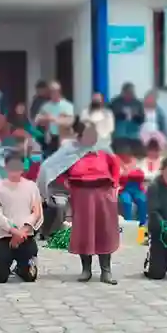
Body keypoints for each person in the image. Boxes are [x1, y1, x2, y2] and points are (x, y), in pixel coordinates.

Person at [37, 119, 120, 284]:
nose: (92, 137)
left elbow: (115, 168)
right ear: (79, 135)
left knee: (104, 231)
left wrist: (115, 186)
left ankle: (106, 271)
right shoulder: (70, 150)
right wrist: (65, 182)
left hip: (103, 195)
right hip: (81, 195)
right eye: (88, 134)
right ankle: (86, 269)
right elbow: (53, 167)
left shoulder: (103, 149)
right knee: (85, 231)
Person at [0, 152, 43, 283]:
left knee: (30, 277)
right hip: (5, 237)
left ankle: (21, 268)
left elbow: (37, 212)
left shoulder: (31, 186)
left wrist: (23, 230)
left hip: (26, 236)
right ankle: (2, 266)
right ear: (6, 168)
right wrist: (13, 231)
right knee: (0, 277)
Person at [36, 81, 75, 147]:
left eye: (55, 91)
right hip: (51, 138)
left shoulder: (68, 106)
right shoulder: (45, 106)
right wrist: (45, 119)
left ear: (59, 91)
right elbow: (37, 120)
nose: (53, 93)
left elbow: (70, 121)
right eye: (51, 91)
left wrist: (54, 119)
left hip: (64, 138)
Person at [117, 142, 147, 226]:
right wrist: (130, 174)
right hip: (124, 189)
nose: (126, 156)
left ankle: (142, 228)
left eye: (128, 154)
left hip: (137, 188)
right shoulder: (116, 162)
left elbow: (141, 175)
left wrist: (127, 174)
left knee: (142, 200)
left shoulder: (136, 161)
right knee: (127, 202)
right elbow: (118, 176)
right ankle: (129, 227)